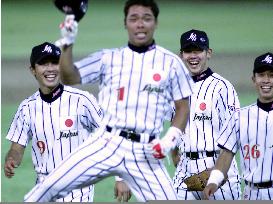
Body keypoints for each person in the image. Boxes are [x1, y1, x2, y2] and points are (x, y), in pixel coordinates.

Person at [23, 0, 194, 202]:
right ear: (125, 24)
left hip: (146, 152)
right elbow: (70, 77)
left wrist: (169, 140)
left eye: (147, 18)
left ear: (155, 23)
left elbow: (183, 106)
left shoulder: (171, 63)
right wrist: (67, 42)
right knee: (48, 188)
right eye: (134, 19)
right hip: (106, 141)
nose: (140, 24)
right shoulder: (109, 58)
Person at [4, 42, 103, 202]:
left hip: (76, 188)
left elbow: (111, 134)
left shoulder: (82, 100)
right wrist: (11, 159)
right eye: (43, 63)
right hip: (42, 187)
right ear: (33, 70)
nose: (50, 68)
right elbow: (17, 147)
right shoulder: (26, 108)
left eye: (55, 62)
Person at [172, 29, 241, 200]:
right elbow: (173, 123)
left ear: (208, 53)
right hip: (185, 171)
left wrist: (218, 171)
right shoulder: (174, 87)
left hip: (216, 167)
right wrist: (174, 152)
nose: (193, 56)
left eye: (198, 51)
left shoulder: (222, 87)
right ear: (181, 54)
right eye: (188, 51)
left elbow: (235, 132)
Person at [204, 52, 273, 200]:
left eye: (271, 75)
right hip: (251, 193)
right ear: (254, 79)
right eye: (261, 75)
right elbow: (226, 155)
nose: (266, 80)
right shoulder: (239, 117)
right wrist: (213, 181)